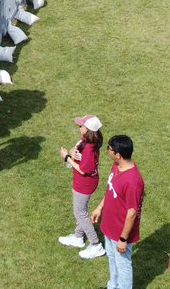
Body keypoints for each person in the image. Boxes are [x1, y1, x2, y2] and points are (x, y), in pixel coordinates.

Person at [90, 135, 145, 289]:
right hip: (109, 226)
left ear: (118, 155)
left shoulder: (133, 181)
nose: (107, 151)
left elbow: (132, 213)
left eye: (110, 149)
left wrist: (123, 238)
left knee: (123, 264)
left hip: (121, 232)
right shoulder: (116, 166)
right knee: (112, 258)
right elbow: (110, 190)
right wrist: (99, 208)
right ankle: (113, 285)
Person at [58, 116, 105, 260]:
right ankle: (78, 237)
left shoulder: (90, 148)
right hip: (84, 182)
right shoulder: (87, 141)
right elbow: (77, 149)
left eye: (81, 126)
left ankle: (96, 245)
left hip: (84, 184)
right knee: (81, 211)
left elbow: (83, 170)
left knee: (80, 213)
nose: (79, 128)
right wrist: (72, 153)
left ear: (88, 129)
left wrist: (67, 158)